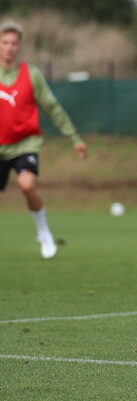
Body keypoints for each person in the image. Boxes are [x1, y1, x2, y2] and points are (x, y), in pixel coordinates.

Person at [0, 20, 88, 259]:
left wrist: (74, 137)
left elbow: (52, 107)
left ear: (19, 46)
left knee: (27, 185)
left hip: (25, 143)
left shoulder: (31, 74)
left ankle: (43, 231)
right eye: (5, 42)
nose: (9, 47)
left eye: (14, 43)